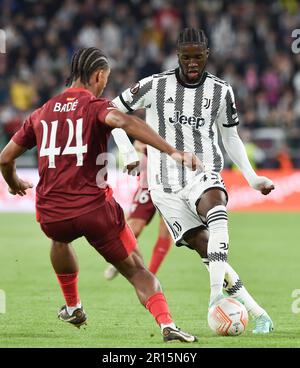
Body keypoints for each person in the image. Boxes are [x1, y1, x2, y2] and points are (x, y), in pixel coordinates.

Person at [0, 47, 199, 343]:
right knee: (136, 270)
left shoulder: (41, 113)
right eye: (105, 78)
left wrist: (14, 181)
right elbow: (124, 122)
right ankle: (167, 324)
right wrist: (172, 151)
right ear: (98, 75)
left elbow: (5, 158)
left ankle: (73, 307)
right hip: (95, 211)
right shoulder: (95, 106)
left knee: (59, 239)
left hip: (52, 214)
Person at [112, 28, 275, 334]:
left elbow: (231, 137)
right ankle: (257, 312)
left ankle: (214, 298)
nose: (191, 63)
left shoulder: (221, 91)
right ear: (177, 56)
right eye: (186, 57)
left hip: (203, 171)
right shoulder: (154, 85)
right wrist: (127, 152)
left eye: (197, 57)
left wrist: (252, 178)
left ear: (206, 55)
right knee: (205, 246)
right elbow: (111, 112)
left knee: (216, 204)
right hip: (163, 185)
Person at [104, 140, 172, 280]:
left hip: (172, 187)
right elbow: (137, 143)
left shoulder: (178, 127)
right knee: (133, 228)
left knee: (165, 231)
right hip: (147, 184)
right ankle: (120, 260)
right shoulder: (153, 122)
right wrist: (150, 147)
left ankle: (151, 276)